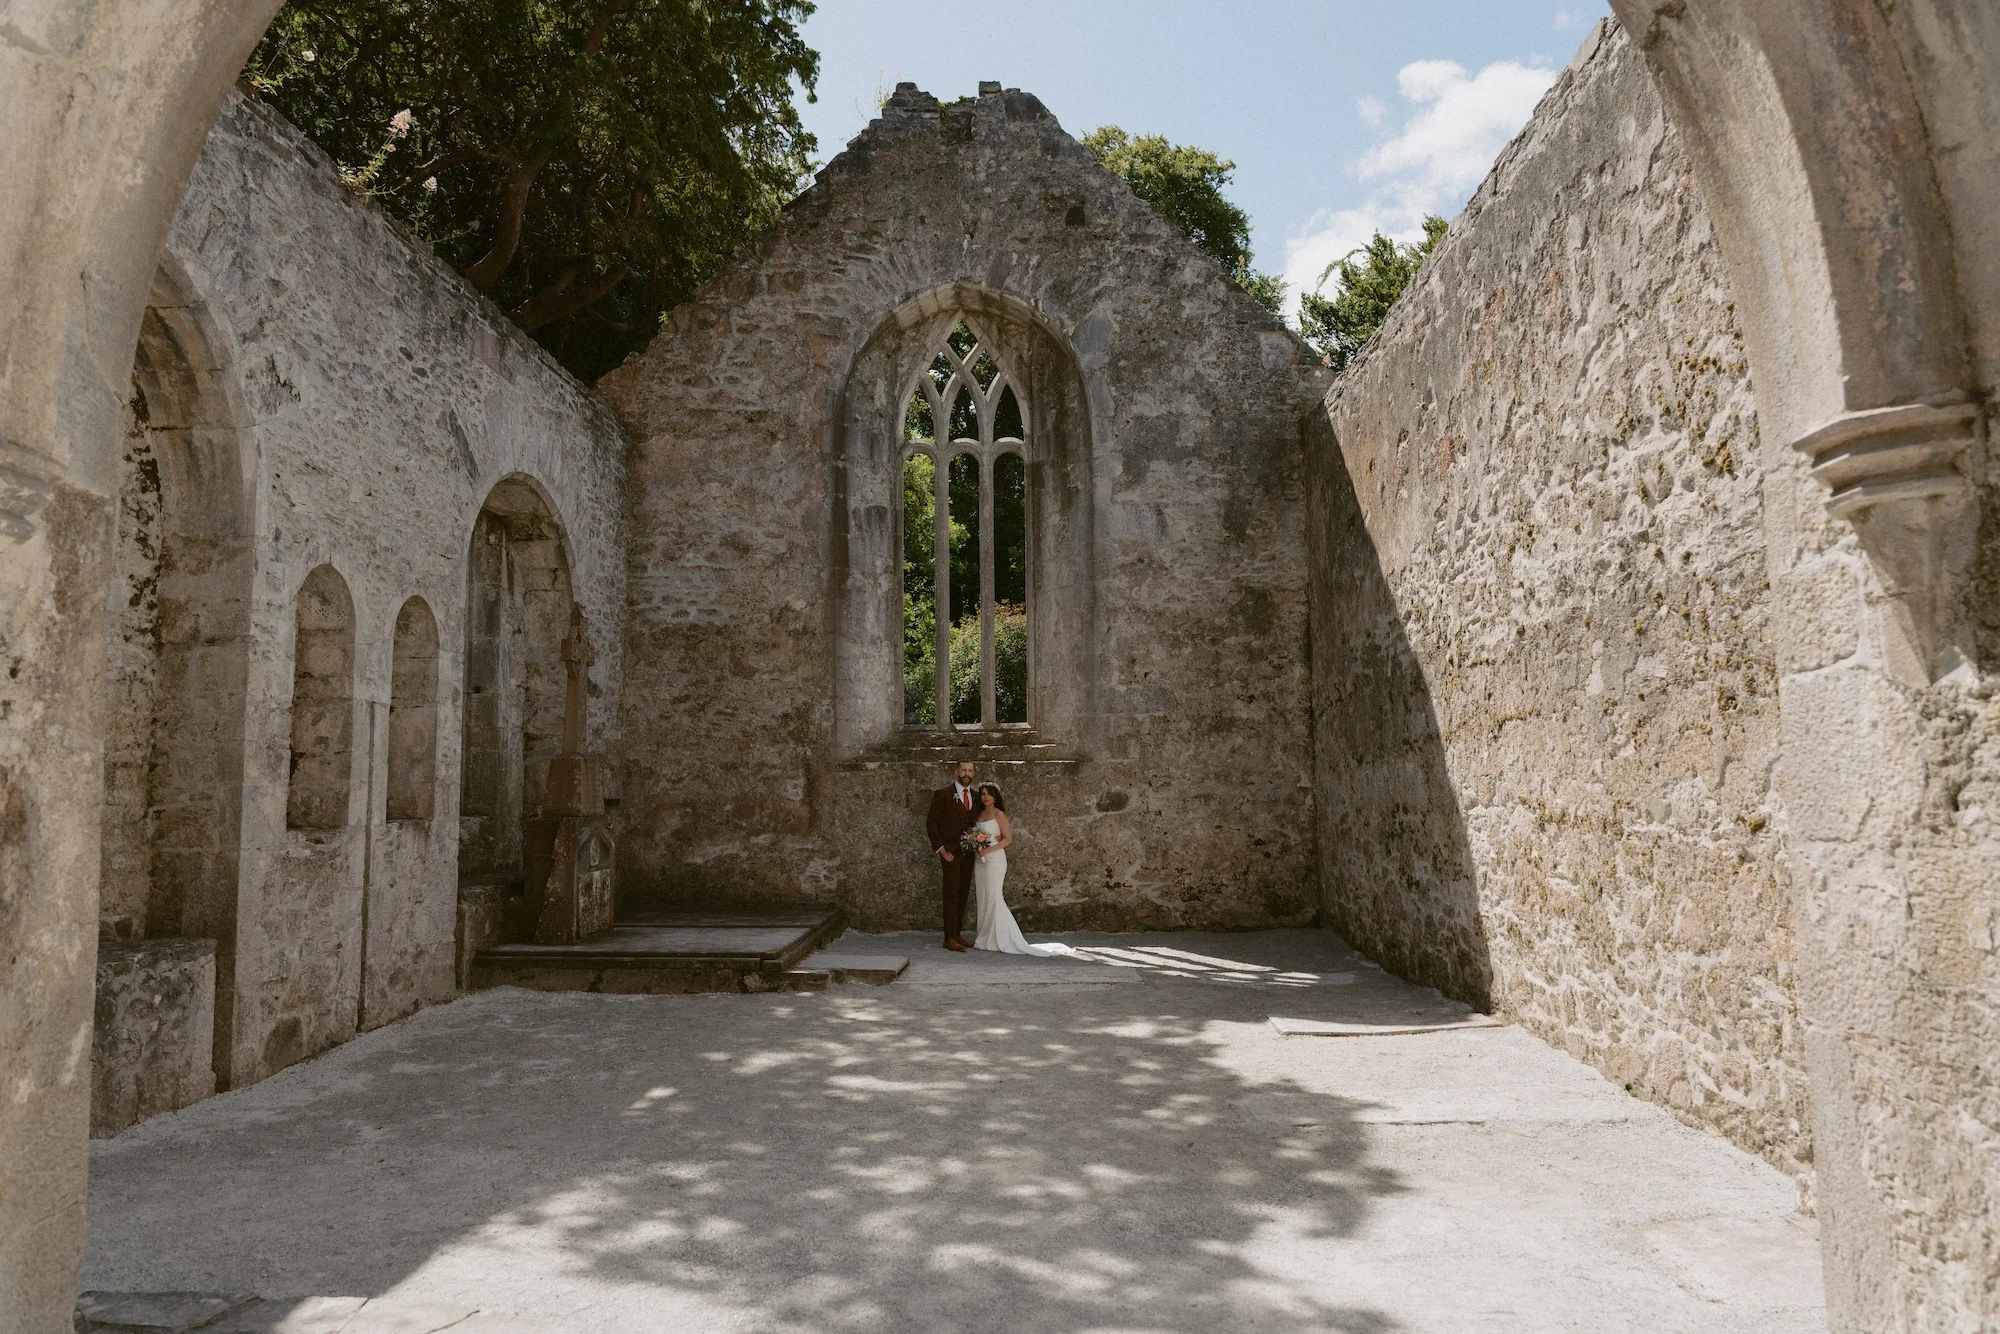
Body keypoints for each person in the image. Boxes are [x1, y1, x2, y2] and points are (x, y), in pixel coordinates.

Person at [969, 783, 1075, 957]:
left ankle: (1001, 938)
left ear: (995, 797)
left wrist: (988, 850)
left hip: (995, 859)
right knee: (983, 896)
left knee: (994, 896)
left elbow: (1007, 839)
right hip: (980, 861)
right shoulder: (979, 815)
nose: (985, 797)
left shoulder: (999, 814)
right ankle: (985, 936)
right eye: (982, 794)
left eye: (989, 794)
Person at [924, 759, 980, 951]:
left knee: (963, 892)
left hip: (969, 852)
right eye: (963, 770)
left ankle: (957, 934)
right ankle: (949, 938)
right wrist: (940, 848)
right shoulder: (943, 794)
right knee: (951, 893)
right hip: (950, 852)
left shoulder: (975, 795)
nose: (967, 773)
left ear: (973, 774)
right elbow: (931, 823)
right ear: (956, 772)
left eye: (970, 771)